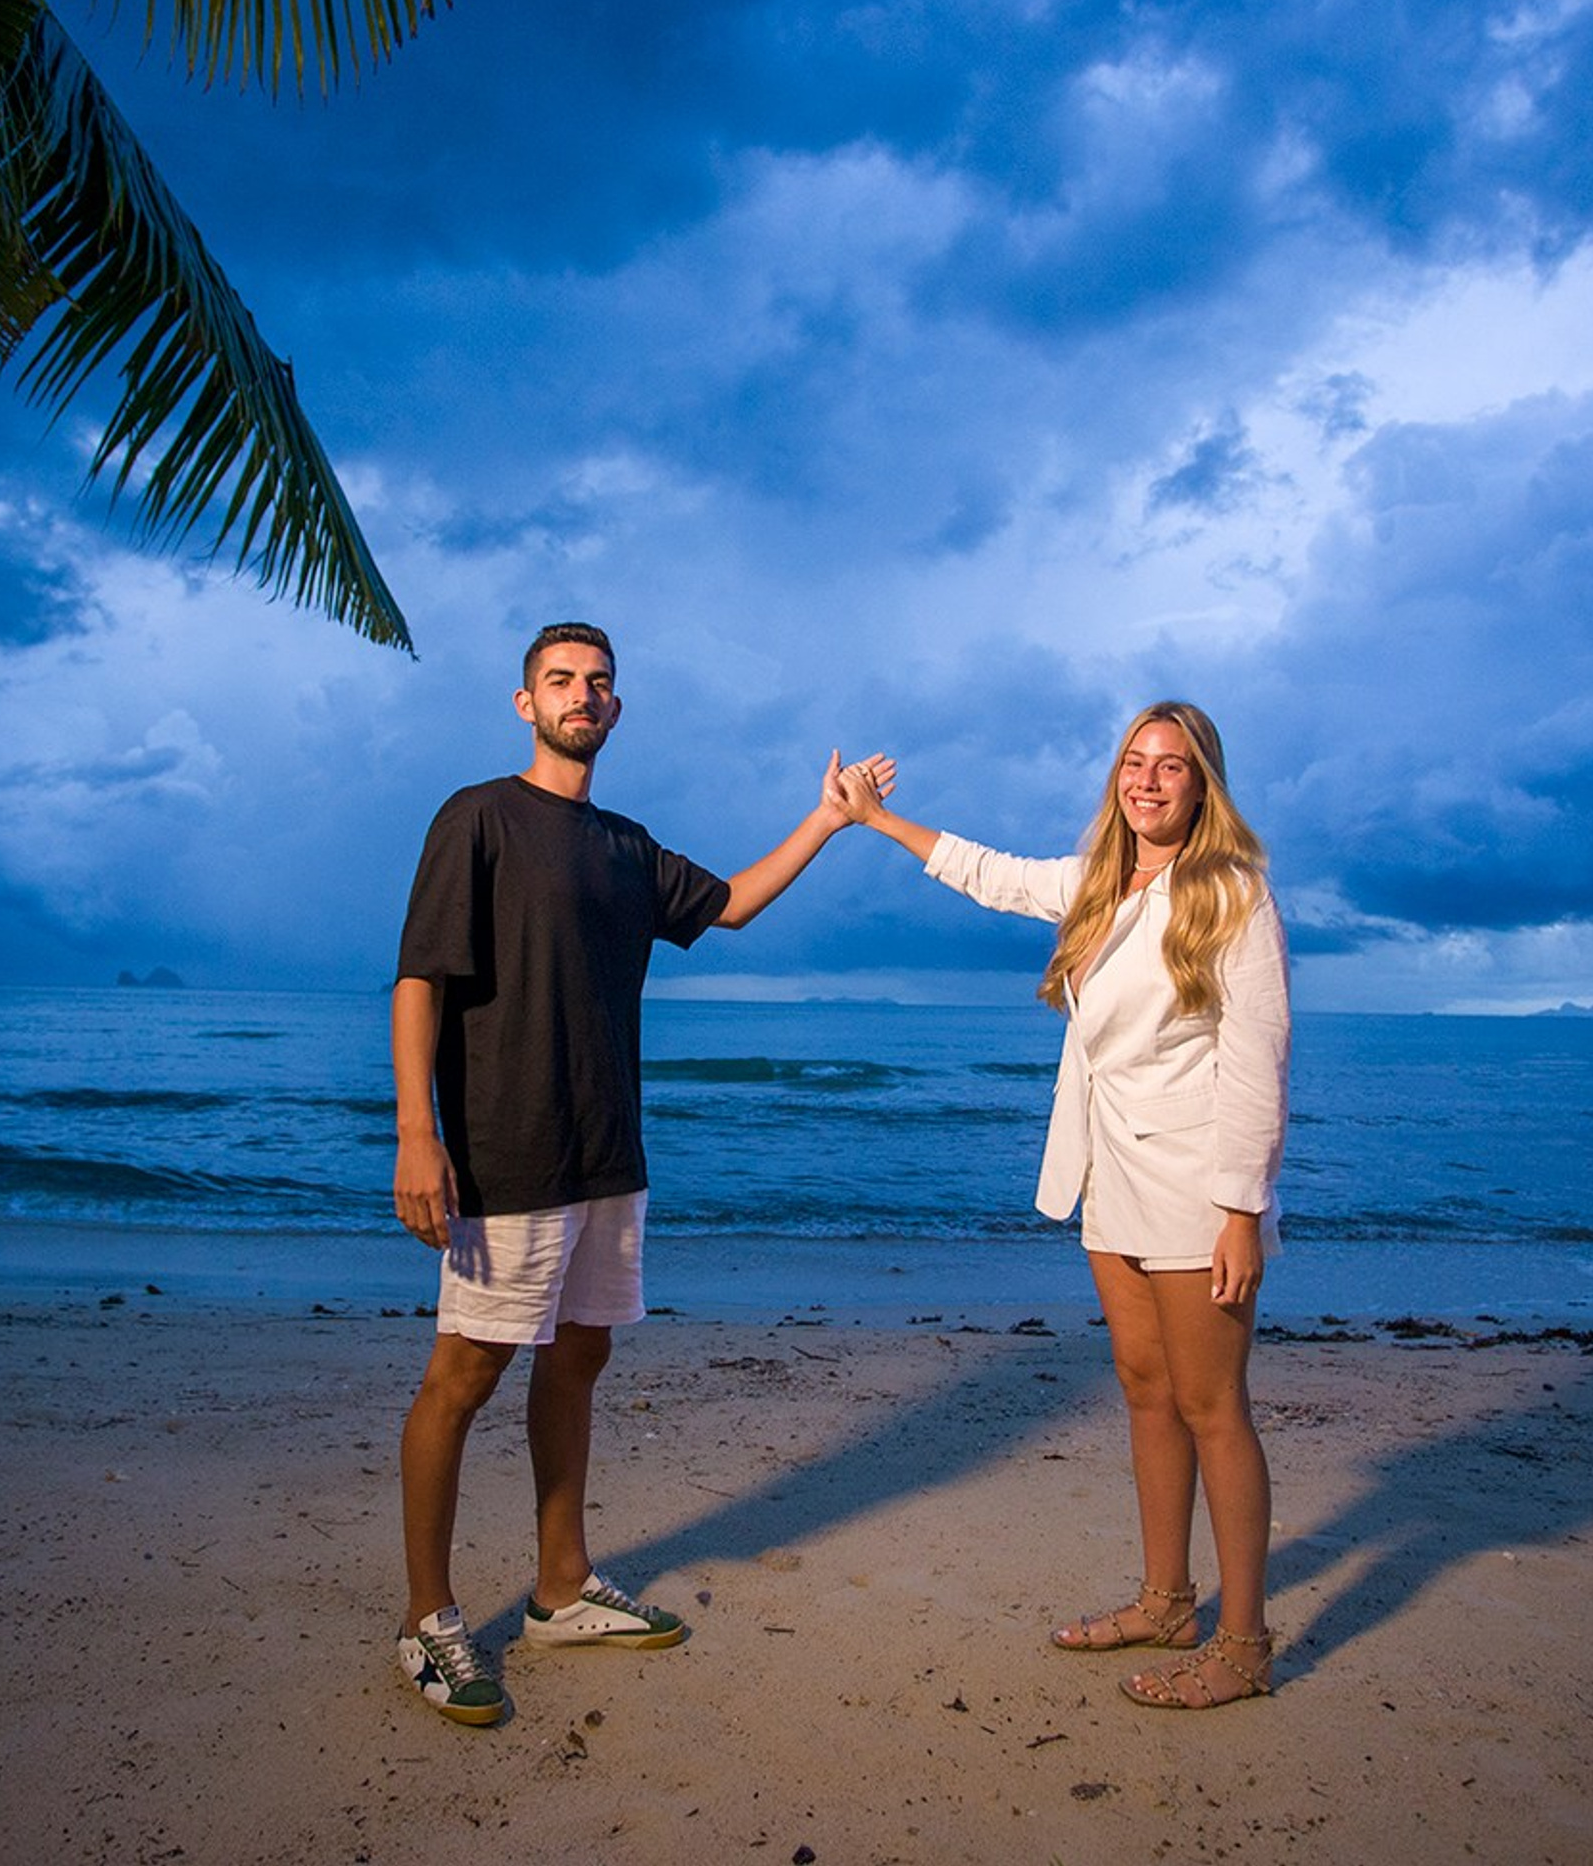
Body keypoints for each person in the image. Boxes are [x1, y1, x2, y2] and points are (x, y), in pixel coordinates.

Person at [391, 621, 890, 1727]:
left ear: (616, 710)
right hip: (505, 1152)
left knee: (577, 1364)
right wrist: (417, 1136)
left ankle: (561, 1590)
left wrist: (829, 815)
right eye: (561, 681)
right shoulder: (477, 817)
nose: (583, 695)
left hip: (607, 1155)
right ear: (525, 703)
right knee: (462, 1376)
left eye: (599, 684)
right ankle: (428, 1619)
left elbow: (732, 904)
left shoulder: (624, 843)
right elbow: (420, 979)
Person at [832, 702, 1289, 1709]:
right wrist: (876, 821)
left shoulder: (1231, 895)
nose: (1150, 781)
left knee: (1215, 1406)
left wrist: (1241, 1211)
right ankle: (1168, 1599)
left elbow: (1257, 1061)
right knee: (1143, 1388)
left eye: (1173, 766)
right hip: (1110, 1174)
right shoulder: (1098, 881)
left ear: (1203, 783)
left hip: (1194, 1187)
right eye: (1136, 762)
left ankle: (1245, 1644)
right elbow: (995, 875)